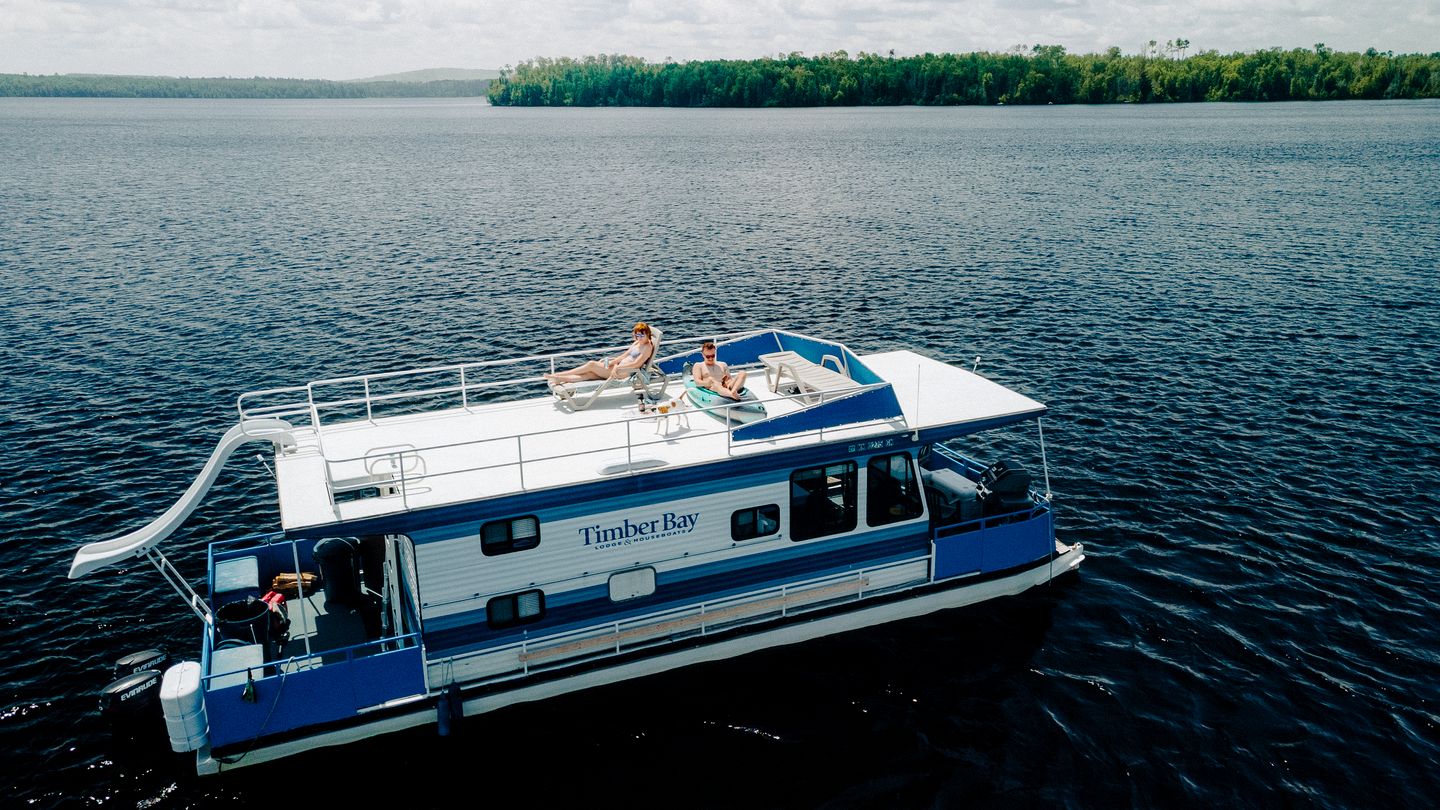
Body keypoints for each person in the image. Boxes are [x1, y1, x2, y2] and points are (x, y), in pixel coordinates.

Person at [545, 323, 655, 385]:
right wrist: (613, 362)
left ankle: (558, 375)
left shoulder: (647, 348)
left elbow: (636, 364)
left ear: (647, 334)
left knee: (591, 364)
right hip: (618, 367)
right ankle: (560, 379)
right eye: (637, 335)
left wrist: (617, 367)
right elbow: (624, 355)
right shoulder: (637, 342)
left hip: (623, 372)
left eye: (642, 335)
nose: (639, 338)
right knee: (588, 375)